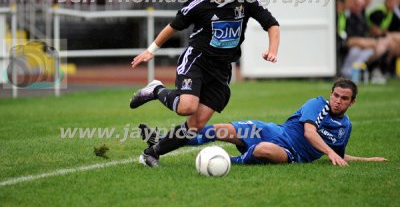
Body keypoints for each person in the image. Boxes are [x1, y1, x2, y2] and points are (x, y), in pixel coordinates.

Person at [130, 0, 280, 167]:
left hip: (222, 69)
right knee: (186, 107)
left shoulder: (246, 0)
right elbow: (173, 26)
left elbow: (272, 24)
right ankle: (156, 90)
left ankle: (152, 153)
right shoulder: (199, 3)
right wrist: (151, 50)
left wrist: (272, 51)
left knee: (196, 124)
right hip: (197, 61)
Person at [140, 78, 387, 166]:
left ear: (351, 102)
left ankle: (228, 162)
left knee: (262, 150)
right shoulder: (318, 105)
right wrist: (329, 153)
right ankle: (163, 142)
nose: (337, 101)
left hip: (290, 153)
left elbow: (337, 155)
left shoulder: (346, 128)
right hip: (272, 130)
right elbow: (311, 133)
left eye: (344, 99)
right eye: (336, 95)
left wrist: (367, 159)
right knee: (219, 130)